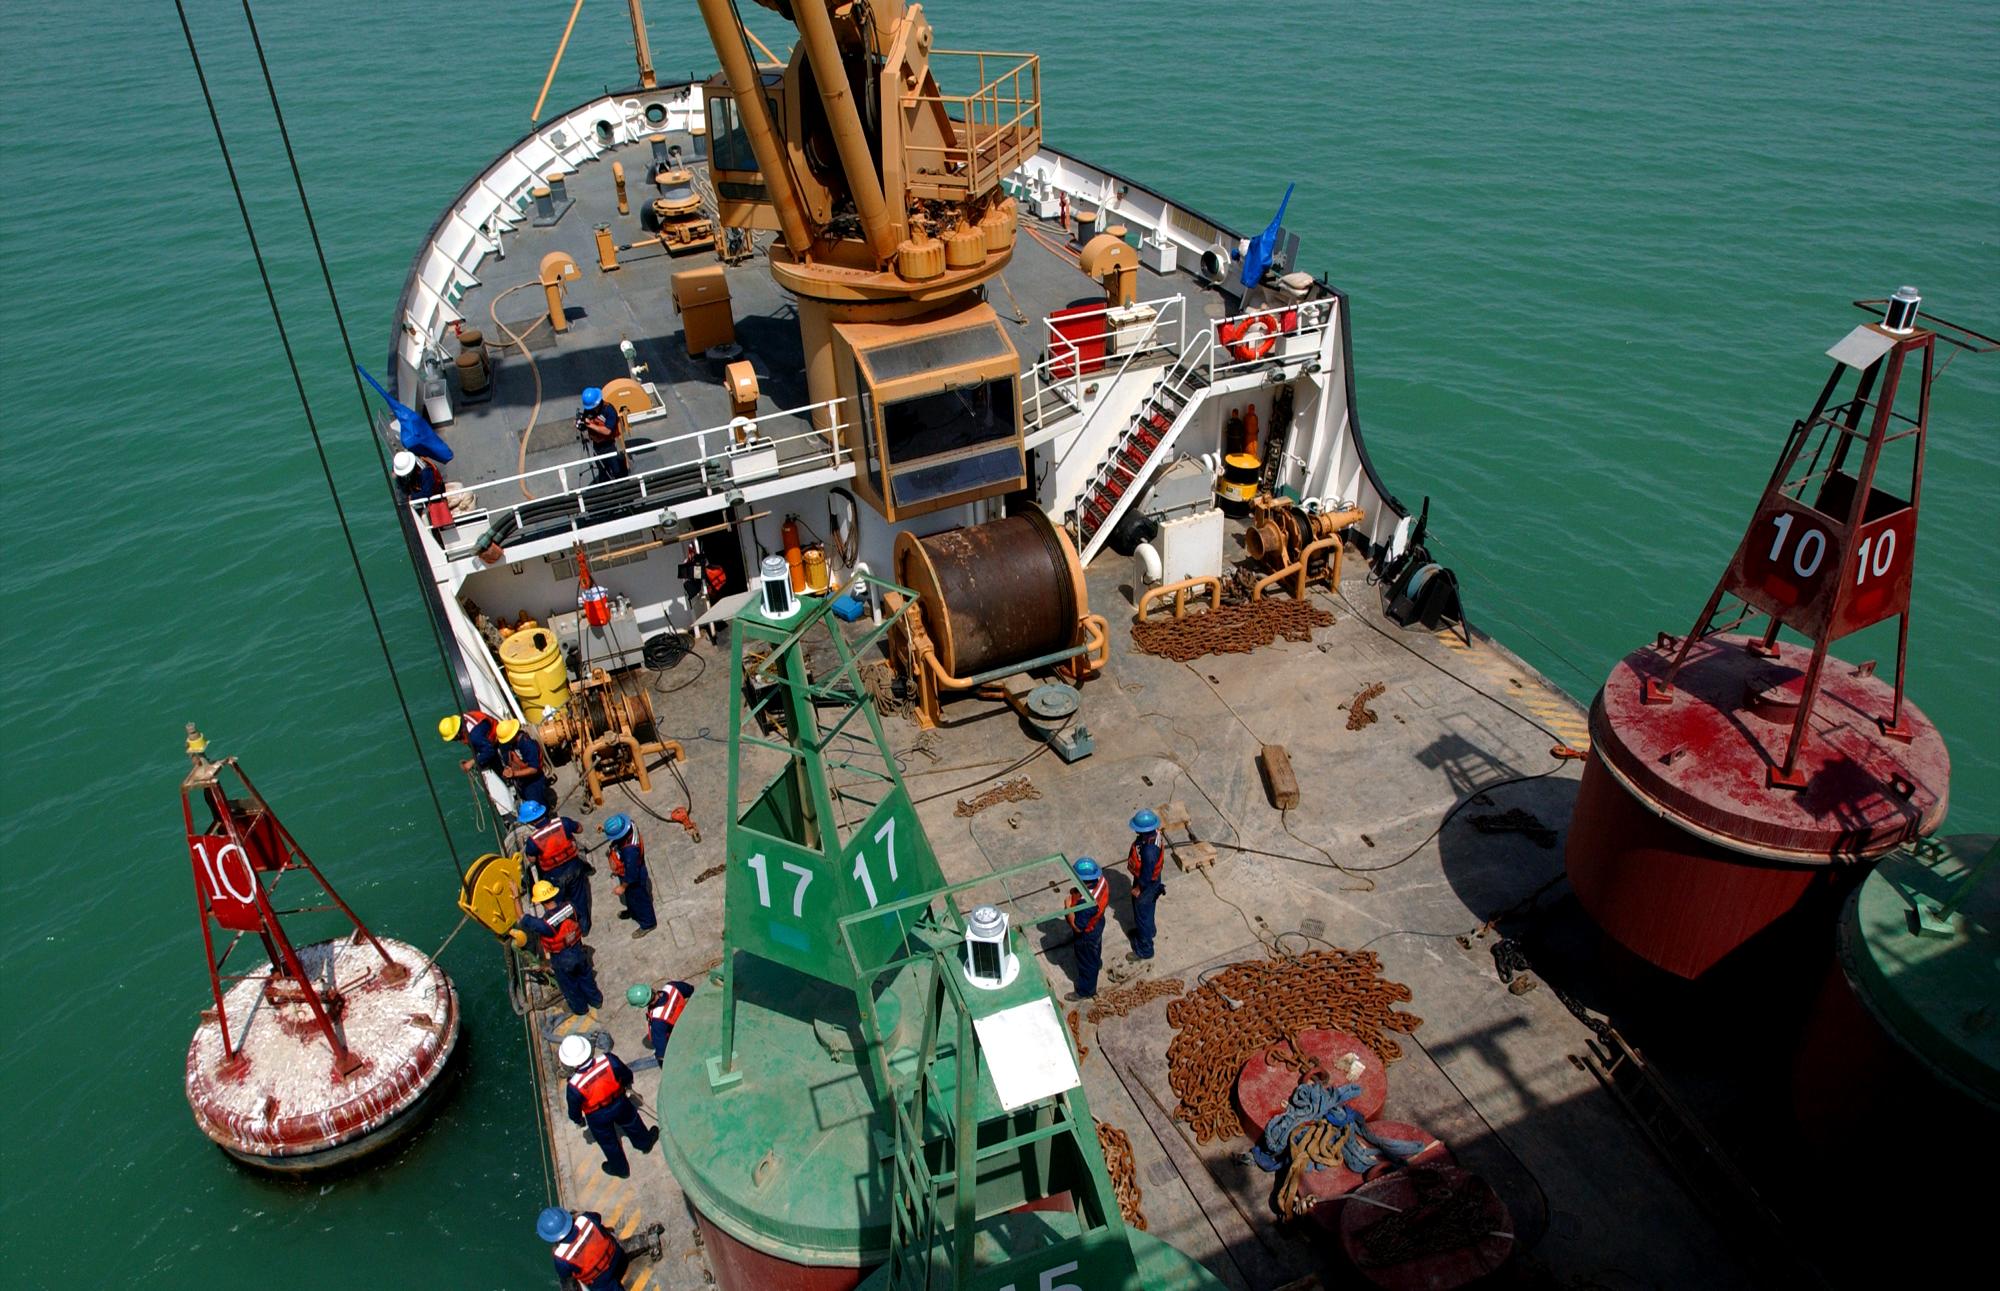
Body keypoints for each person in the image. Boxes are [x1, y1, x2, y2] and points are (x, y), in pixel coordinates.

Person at [560, 1034, 658, 1178]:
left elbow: (574, 1109)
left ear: (571, 1063)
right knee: (632, 1122)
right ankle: (644, 1143)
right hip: (619, 1102)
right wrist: (627, 1084)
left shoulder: (574, 1086)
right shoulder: (608, 1060)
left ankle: (621, 1170)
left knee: (608, 1142)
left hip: (597, 1116)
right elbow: (625, 1074)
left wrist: (578, 1120)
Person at [513, 880, 602, 1016]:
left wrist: (515, 896)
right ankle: (596, 1000)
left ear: (540, 901)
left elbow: (521, 916)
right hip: (578, 950)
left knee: (569, 986)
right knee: (585, 976)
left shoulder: (545, 925)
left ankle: (580, 1008)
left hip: (562, 959)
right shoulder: (570, 907)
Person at [537, 1206, 662, 1291]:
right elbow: (597, 1216)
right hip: (616, 1255)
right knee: (615, 1243)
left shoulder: (561, 1258)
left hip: (602, 1280)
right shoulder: (585, 1219)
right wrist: (578, 1216)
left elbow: (566, 1277)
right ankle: (648, 1239)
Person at [520, 799, 592, 933]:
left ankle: (567, 929)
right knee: (579, 897)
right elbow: (579, 828)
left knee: (558, 904)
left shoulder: (533, 840)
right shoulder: (562, 822)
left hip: (554, 874)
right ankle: (584, 927)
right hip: (574, 866)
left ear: (530, 821)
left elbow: (532, 859)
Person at [603, 814, 657, 939]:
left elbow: (632, 874)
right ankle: (633, 912)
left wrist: (622, 887)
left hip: (634, 876)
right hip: (631, 869)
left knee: (640, 899)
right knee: (631, 898)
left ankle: (648, 923)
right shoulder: (631, 825)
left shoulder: (630, 851)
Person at [1063, 857, 1109, 1002]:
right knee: (1095, 950)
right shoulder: (1101, 880)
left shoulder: (1086, 903)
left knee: (1086, 959)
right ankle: (1096, 963)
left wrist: (1068, 907)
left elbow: (1077, 927)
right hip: (1098, 922)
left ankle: (1086, 990)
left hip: (1087, 934)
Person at [1126, 808, 1166, 962]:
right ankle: (1150, 931)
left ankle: (1145, 949)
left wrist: (1138, 888)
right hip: (1152, 880)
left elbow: (1147, 874)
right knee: (1148, 910)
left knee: (1142, 913)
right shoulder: (1154, 834)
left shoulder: (1149, 851)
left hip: (1146, 883)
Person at [494, 718, 556, 811]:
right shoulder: (513, 744)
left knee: (537, 807)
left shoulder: (528, 745)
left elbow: (533, 769)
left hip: (534, 782)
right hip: (524, 781)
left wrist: (514, 774)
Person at [626, 980, 694, 1064]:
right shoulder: (672, 987)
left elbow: (662, 1053)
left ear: (642, 1005)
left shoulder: (657, 1021)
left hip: (685, 1037)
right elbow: (691, 990)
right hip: (694, 1017)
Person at [577, 387, 629, 482]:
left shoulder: (609, 410)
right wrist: (580, 424)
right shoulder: (588, 410)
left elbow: (607, 431)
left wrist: (590, 425)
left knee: (617, 470)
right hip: (597, 446)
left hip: (611, 444)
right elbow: (584, 423)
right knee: (602, 471)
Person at [439, 710, 501, 774]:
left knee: (490, 760)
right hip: (485, 729)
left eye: (453, 738)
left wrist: (471, 762)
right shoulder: (463, 719)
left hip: (496, 737)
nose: (454, 740)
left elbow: (490, 751)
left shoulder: (474, 737)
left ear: (457, 734)